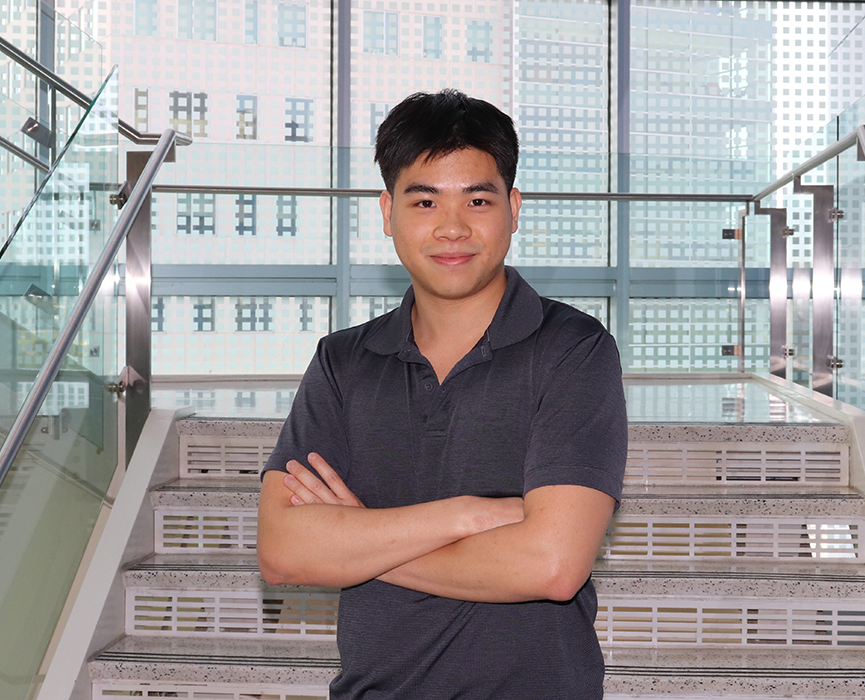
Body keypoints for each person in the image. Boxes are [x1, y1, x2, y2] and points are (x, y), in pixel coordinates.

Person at [257, 89, 628, 699]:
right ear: (386, 212)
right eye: (424, 200)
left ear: (513, 208)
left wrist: (358, 539)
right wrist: (469, 516)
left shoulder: (574, 350)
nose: (452, 227)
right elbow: (283, 552)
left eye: (477, 200)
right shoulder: (342, 362)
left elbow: (553, 566)